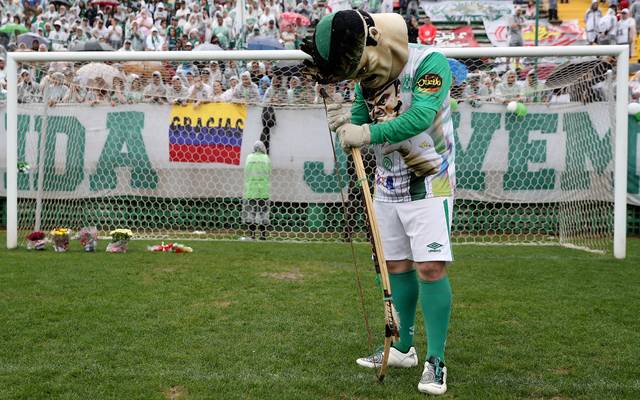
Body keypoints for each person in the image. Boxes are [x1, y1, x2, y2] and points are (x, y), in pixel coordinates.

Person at [303, 10, 455, 395]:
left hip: (430, 182)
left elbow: (421, 115)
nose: (359, 78)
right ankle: (402, 345)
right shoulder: (365, 80)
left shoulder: (428, 62)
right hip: (387, 185)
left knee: (431, 267)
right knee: (396, 266)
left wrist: (365, 132)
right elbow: (358, 116)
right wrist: (345, 125)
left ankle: (436, 359)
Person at [242, 140, 272, 241]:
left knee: (252, 213)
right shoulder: (266, 158)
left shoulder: (249, 158)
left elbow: (246, 171)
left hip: (251, 189)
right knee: (263, 213)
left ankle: (252, 235)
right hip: (263, 189)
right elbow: (269, 171)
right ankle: (263, 235)